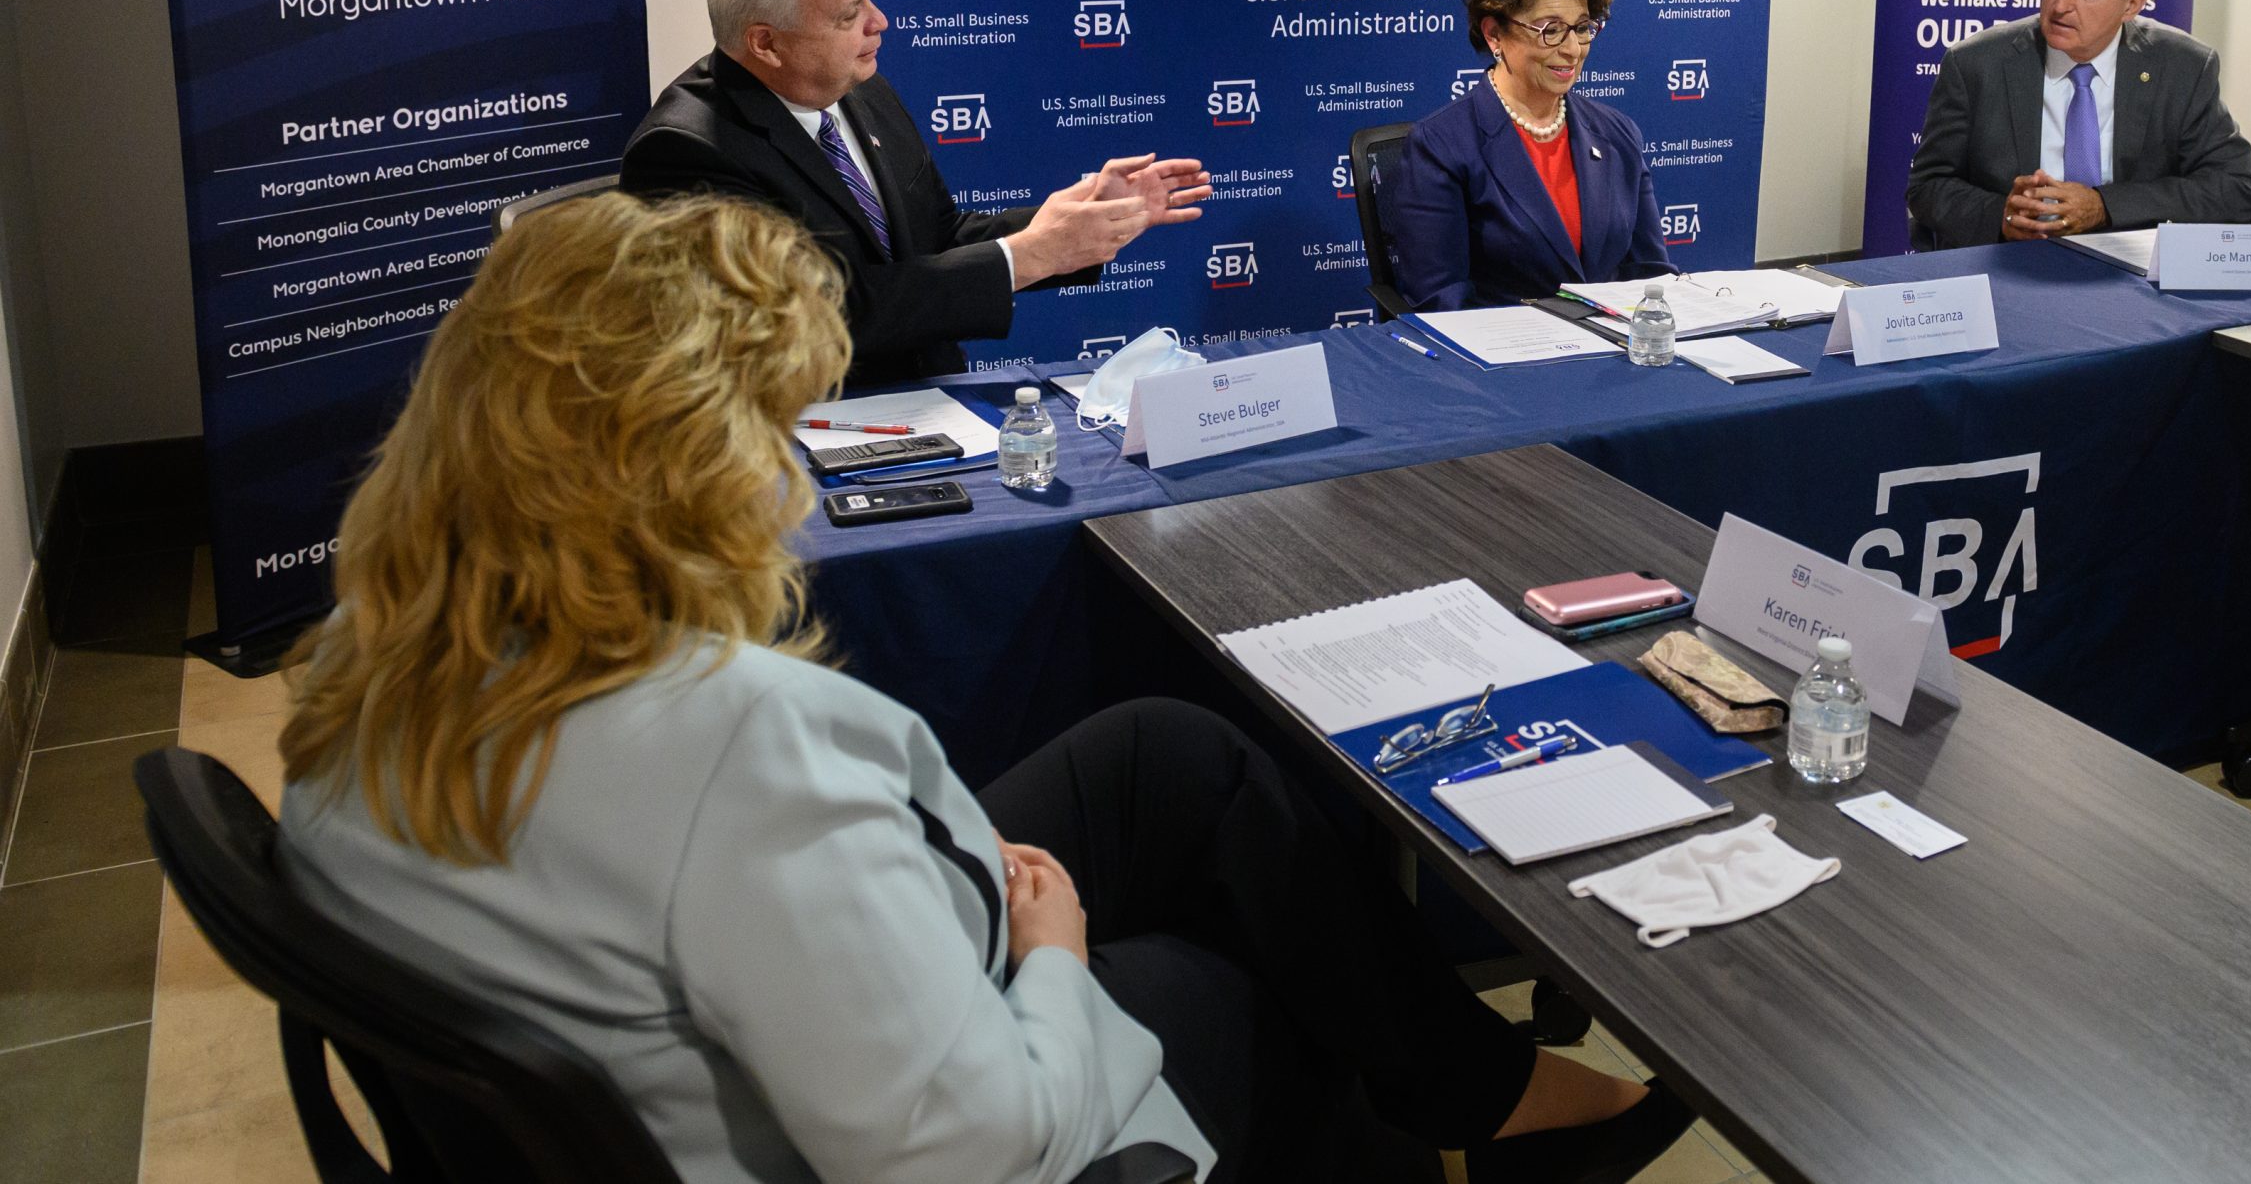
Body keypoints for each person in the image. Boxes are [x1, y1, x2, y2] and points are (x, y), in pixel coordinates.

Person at [274, 193, 1695, 1184]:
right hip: (910, 1118)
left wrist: (929, 879)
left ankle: (1490, 1093)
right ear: (686, 468)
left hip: (715, 1002)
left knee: (1170, 755)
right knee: (1254, 996)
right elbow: (980, 1147)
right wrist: (1056, 952)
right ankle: (1459, 1119)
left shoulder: (376, 653)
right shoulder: (739, 741)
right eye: (782, 426)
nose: (796, 472)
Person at [620, 0, 1211, 385]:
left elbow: (934, 238)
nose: (880, 22)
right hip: (803, 432)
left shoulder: (860, 88)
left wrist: (1076, 223)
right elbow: (806, 318)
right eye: (850, 13)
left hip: (931, 399)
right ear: (766, 44)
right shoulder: (685, 149)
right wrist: (1031, 254)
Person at [1905, 0, 2251, 249]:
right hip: (2012, 265)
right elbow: (1928, 185)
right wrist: (2002, 216)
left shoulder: (2181, 67)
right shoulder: (1976, 64)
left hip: (2129, 274)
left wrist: (2104, 206)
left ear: (2132, 3)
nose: (2061, 5)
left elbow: (2238, 187)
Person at [1382, 0, 1672, 311]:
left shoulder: (1618, 134)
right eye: (1551, 30)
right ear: (1494, 35)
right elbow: (1440, 301)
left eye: (1582, 28)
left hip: (1610, 344)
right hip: (1498, 345)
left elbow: (1650, 275)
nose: (1572, 49)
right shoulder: (1441, 145)